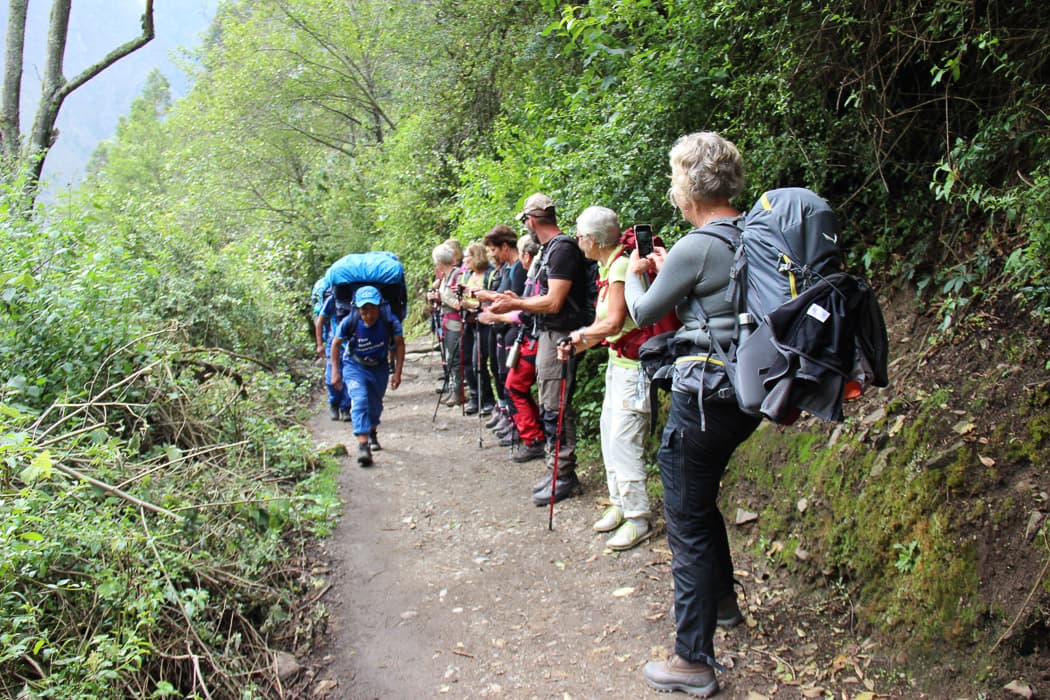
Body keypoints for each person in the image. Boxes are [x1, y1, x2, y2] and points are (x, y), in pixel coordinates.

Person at [624, 132, 760, 697]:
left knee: (684, 519)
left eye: (675, 178)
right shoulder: (752, 234)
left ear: (690, 187)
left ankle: (693, 660)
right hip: (744, 394)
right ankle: (724, 605)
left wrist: (634, 271)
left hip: (702, 398)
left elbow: (641, 313)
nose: (673, 188)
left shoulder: (696, 244)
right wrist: (671, 265)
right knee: (700, 504)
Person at [489, 193, 596, 506]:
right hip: (548, 335)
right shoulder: (551, 250)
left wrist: (517, 302)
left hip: (561, 335)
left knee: (555, 405)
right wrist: (517, 300)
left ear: (532, 220)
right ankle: (557, 471)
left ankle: (563, 474)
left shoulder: (562, 249)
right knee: (550, 403)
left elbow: (553, 301)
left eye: (525, 220)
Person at [558, 206, 653, 551]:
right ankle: (620, 502)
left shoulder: (622, 267)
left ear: (594, 240)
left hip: (634, 371)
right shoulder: (607, 266)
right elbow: (609, 329)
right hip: (618, 365)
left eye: (581, 234)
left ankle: (638, 518)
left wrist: (578, 338)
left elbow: (613, 323)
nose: (578, 239)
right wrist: (579, 343)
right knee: (608, 434)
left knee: (624, 440)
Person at [477, 235, 545, 461]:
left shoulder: (533, 274)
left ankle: (534, 438)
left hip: (531, 339)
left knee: (514, 388)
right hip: (529, 338)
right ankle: (536, 435)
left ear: (527, 255)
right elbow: (524, 306)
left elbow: (527, 310)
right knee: (515, 387)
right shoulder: (533, 274)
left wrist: (499, 314)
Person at [330, 285, 406, 466]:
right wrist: (335, 371)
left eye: (372, 309)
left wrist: (397, 372)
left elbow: (400, 345)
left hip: (379, 367)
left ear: (379, 307)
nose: (368, 314)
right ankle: (363, 444)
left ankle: (372, 432)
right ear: (357, 309)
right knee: (360, 400)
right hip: (354, 366)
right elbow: (335, 345)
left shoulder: (390, 322)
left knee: (375, 404)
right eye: (364, 310)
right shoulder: (350, 322)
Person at [457, 242, 496, 415]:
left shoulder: (489, 275)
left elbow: (491, 300)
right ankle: (475, 397)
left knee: (478, 361)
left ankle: (487, 399)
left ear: (476, 256)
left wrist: (471, 304)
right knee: (466, 360)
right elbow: (461, 297)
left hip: (484, 322)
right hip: (468, 321)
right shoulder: (465, 276)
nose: (465, 260)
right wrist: (461, 303)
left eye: (468, 256)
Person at [314, 286, 351, 422]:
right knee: (332, 375)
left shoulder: (357, 298)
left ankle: (346, 407)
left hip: (351, 342)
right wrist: (319, 344)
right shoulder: (332, 300)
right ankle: (334, 403)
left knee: (349, 375)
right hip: (333, 341)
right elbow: (320, 322)